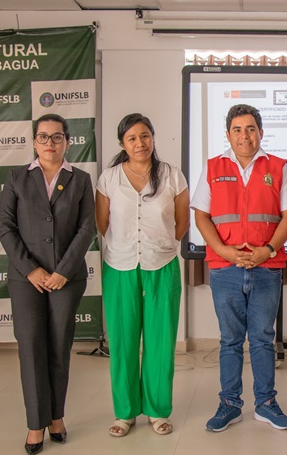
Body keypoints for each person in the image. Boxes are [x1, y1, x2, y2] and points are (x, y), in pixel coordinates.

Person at [191, 104, 287, 432]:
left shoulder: (278, 167)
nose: (244, 135)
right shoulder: (212, 167)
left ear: (261, 133)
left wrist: (267, 250)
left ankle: (266, 403)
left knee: (264, 339)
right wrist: (223, 250)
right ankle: (229, 404)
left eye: (250, 128)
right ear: (227, 134)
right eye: (237, 129)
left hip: (267, 266)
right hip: (226, 267)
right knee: (230, 340)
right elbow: (201, 215)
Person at [0, 114, 95, 454]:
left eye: (57, 137)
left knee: (58, 348)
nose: (50, 143)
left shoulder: (81, 180)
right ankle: (34, 424)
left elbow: (87, 229)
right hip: (26, 279)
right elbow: (6, 229)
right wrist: (31, 270)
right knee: (31, 349)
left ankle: (56, 417)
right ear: (34, 142)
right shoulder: (15, 179)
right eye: (43, 137)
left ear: (68, 141)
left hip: (66, 279)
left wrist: (63, 271)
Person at [95, 113, 189, 437]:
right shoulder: (108, 179)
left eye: (145, 136)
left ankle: (157, 410)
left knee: (160, 341)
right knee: (122, 341)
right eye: (132, 138)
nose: (140, 143)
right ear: (122, 143)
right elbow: (102, 223)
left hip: (161, 265)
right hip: (119, 266)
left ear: (153, 138)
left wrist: (160, 244)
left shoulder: (172, 176)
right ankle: (125, 412)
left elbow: (181, 223)